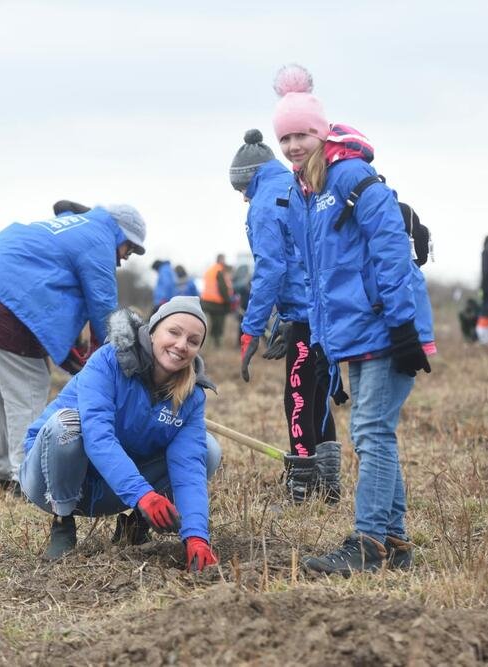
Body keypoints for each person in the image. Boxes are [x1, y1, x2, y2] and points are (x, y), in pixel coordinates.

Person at [271, 64, 434, 574]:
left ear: (320, 134)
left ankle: (368, 543)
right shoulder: (307, 193)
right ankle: (396, 543)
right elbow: (319, 280)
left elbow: (391, 251)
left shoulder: (351, 179)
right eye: (287, 137)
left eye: (302, 135)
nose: (294, 146)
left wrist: (404, 326)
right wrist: (322, 346)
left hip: (388, 327)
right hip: (355, 334)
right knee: (374, 432)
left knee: (370, 433)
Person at [0, 202, 147, 494]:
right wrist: (117, 361)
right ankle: (25, 480)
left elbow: (53, 290)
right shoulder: (99, 237)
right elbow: (103, 310)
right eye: (130, 250)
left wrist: (79, 354)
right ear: (121, 235)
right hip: (2, 302)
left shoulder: (70, 228)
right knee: (29, 388)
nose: (124, 259)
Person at [20, 297, 221, 571]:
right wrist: (143, 494)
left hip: (112, 489)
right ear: (153, 331)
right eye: (174, 332)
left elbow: (188, 467)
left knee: (208, 450)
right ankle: (62, 523)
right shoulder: (108, 361)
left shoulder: (191, 396)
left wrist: (197, 536)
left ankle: (139, 523)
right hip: (49, 479)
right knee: (65, 425)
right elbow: (98, 437)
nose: (181, 345)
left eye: (193, 340)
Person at [229, 128, 340, 503]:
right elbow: (299, 262)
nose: (242, 198)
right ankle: (330, 485)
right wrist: (282, 320)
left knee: (297, 396)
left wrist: (252, 329)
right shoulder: (299, 183)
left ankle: (300, 489)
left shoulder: (263, 203)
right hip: (325, 311)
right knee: (320, 393)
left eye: (240, 190)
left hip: (306, 318)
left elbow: (272, 270)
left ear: (247, 180)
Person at [200, 254, 232, 348]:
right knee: (219, 324)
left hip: (207, 301)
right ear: (221, 260)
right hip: (217, 302)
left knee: (213, 323)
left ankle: (209, 343)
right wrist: (228, 300)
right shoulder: (220, 270)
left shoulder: (210, 270)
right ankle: (217, 344)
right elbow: (223, 287)